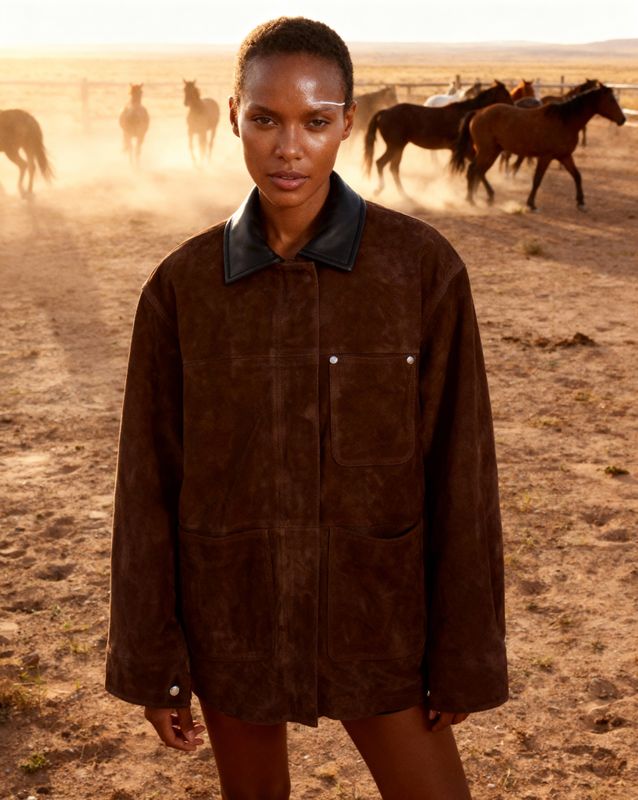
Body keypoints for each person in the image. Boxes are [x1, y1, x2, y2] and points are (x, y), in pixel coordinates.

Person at [104, 16, 508, 800]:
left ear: (346, 125)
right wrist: (150, 657)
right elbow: (145, 487)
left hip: (380, 619)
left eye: (316, 122)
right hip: (230, 616)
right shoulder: (181, 288)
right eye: (266, 119)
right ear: (233, 117)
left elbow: (464, 475)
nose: (290, 148)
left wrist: (464, 655)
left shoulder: (420, 271)